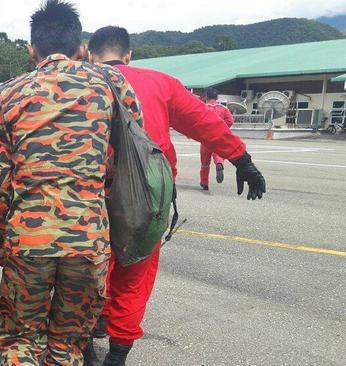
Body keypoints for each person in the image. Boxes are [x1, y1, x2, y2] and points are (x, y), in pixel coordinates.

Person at [86, 26, 266, 365]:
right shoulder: (160, 82)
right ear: (128, 55)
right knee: (135, 272)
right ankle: (118, 353)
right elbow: (204, 123)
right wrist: (242, 159)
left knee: (88, 268)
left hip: (87, 194)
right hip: (146, 198)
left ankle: (94, 324)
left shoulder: (76, 81)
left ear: (90, 54)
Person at [0, 2, 143, 365]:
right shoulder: (112, 82)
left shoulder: (8, 92)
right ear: (83, 48)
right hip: (88, 238)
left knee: (21, 341)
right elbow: (133, 155)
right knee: (67, 344)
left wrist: (1, 233)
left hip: (28, 237)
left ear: (31, 50)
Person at [200, 87, 235, 190]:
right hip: (218, 135)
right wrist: (222, 127)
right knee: (218, 154)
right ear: (217, 97)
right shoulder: (223, 108)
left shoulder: (203, 107)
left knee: (205, 162)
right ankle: (219, 163)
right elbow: (230, 120)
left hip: (206, 136)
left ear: (206, 96)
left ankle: (204, 182)